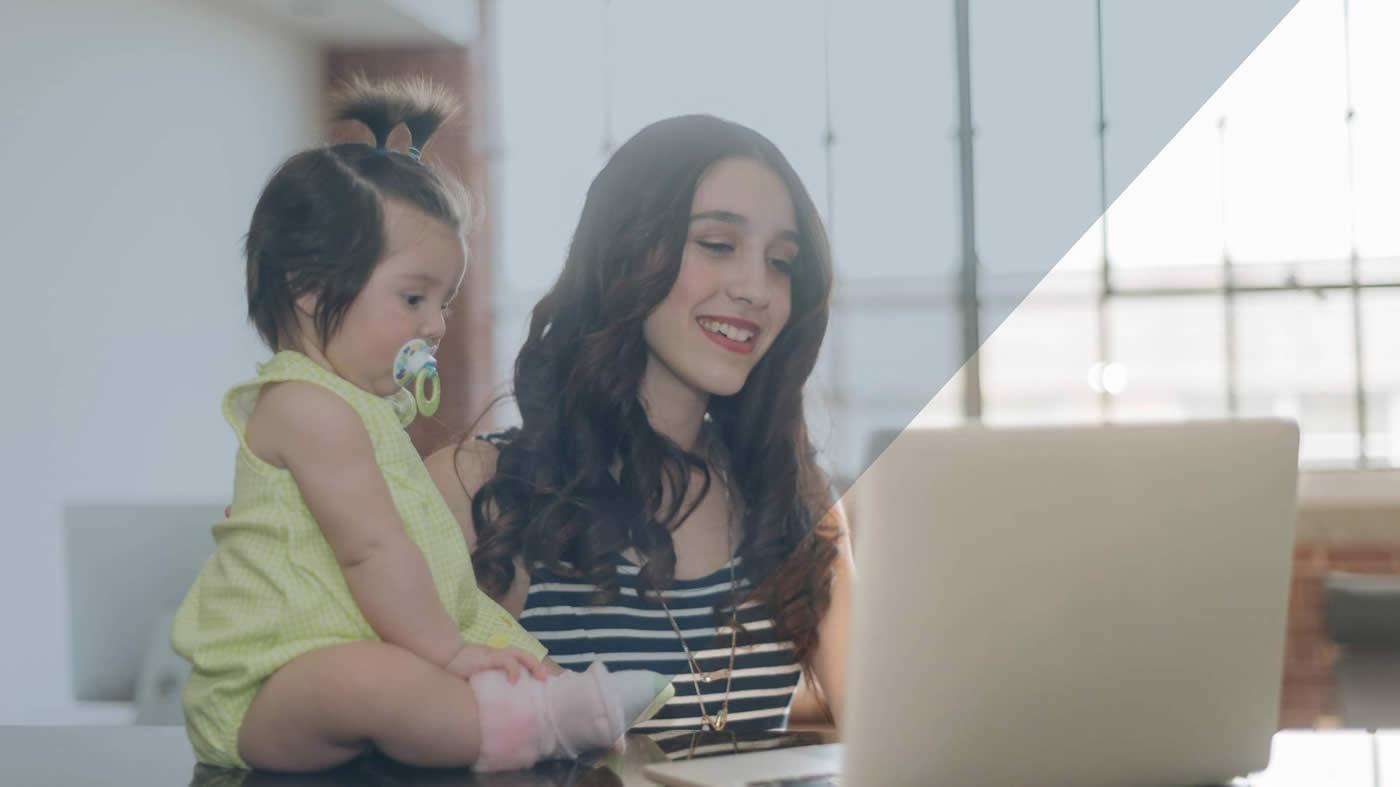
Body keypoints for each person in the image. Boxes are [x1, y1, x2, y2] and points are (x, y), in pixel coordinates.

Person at [172, 78, 668, 774]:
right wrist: (449, 652)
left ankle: (545, 703)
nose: (435, 324)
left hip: (360, 648)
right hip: (268, 687)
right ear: (309, 289)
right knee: (369, 679)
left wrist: (476, 651)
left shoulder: (364, 409)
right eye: (413, 298)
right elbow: (372, 551)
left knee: (449, 663)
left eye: (446, 301)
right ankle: (534, 725)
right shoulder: (306, 407)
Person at [427, 114, 855, 737]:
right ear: (624, 250)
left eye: (781, 262)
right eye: (718, 245)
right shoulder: (478, 489)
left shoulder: (795, 495)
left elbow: (890, 728)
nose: (757, 289)